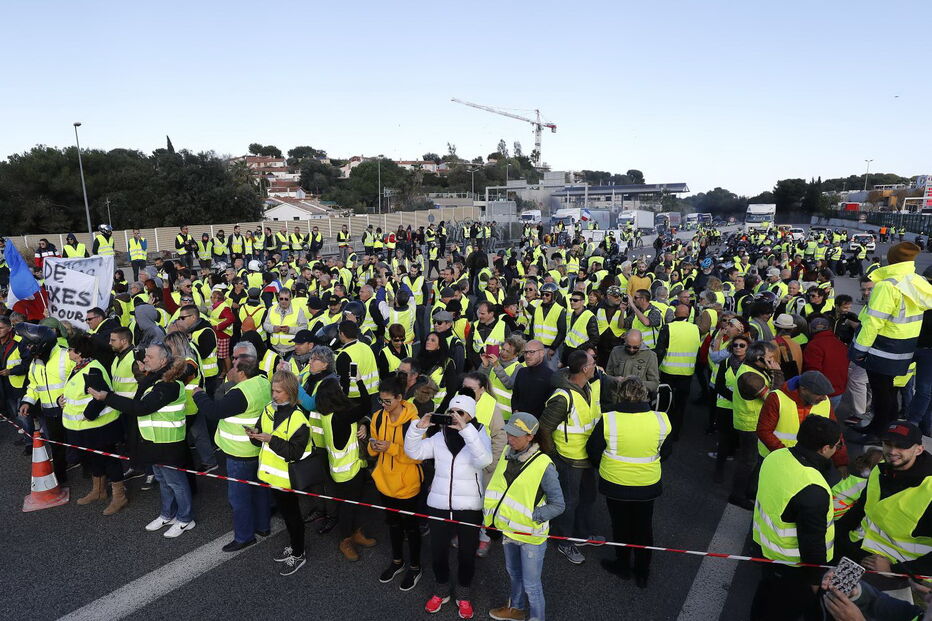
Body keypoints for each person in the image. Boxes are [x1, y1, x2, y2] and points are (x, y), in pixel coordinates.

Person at [89, 344, 196, 538]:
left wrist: (107, 397)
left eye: (149, 357)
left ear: (163, 361)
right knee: (163, 481)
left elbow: (142, 407)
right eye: (145, 355)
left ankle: (185, 519)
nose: (144, 359)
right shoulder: (155, 379)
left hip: (169, 444)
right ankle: (167, 514)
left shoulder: (170, 385)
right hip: (153, 441)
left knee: (176, 483)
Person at [404, 395, 492, 619]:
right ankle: (441, 589)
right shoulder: (439, 435)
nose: (454, 416)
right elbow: (414, 452)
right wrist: (418, 428)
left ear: (470, 415)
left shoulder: (479, 432)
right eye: (451, 411)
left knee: (467, 554)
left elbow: (484, 460)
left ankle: (464, 594)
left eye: (460, 413)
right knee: (438, 552)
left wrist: (466, 431)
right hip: (439, 504)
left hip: (469, 507)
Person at [750, 416, 842, 621]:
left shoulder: (776, 456)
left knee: (764, 599)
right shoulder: (813, 487)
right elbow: (812, 541)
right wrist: (815, 579)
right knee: (782, 613)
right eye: (838, 445)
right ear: (825, 449)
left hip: (767, 550)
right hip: (794, 567)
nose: (837, 449)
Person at [588, 377, 672, 588]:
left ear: (620, 394)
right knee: (644, 527)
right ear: (645, 395)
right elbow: (666, 452)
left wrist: (607, 466)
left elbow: (593, 450)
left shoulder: (609, 419)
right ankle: (642, 572)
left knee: (620, 525)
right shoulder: (661, 420)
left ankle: (623, 564)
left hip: (615, 484)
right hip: (647, 484)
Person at [485, 411, 565, 621]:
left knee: (532, 585)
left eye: (515, 435)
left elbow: (558, 504)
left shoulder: (544, 464)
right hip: (509, 530)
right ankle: (516, 610)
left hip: (530, 535)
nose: (510, 438)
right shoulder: (507, 452)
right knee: (514, 574)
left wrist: (532, 517)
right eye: (509, 433)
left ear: (530, 436)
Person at [851, 242, 932, 442]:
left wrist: (859, 349)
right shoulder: (917, 282)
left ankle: (878, 433)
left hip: (882, 347)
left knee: (882, 393)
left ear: (892, 259)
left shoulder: (887, 285)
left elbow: (874, 322)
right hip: (903, 347)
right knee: (889, 391)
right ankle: (884, 428)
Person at [194, 350, 272, 552]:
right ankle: (263, 526)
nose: (230, 369)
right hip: (258, 449)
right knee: (260, 490)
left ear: (242, 373)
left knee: (239, 498)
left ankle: (244, 536)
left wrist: (198, 394)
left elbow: (214, 411)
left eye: (234, 366)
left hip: (240, 453)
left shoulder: (240, 393)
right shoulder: (263, 382)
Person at [838, 421, 932, 580]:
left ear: (919, 450)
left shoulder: (929, 488)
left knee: (837, 592)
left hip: (896, 571)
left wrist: (894, 570)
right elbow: (861, 507)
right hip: (861, 551)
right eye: (888, 444)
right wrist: (837, 533)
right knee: (827, 587)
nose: (892, 451)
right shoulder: (881, 468)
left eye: (901, 446)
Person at [539, 350, 603, 565]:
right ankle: (563, 541)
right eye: (593, 363)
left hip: (587, 457)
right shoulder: (562, 398)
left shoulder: (589, 387)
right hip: (569, 460)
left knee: (588, 497)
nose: (595, 366)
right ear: (584, 369)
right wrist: (554, 456)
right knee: (568, 501)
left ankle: (581, 534)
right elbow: (544, 429)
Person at [247, 370, 311, 575]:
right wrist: (254, 435)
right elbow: (260, 437)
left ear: (290, 392)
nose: (274, 395)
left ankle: (299, 553)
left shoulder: (299, 419)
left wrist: (270, 439)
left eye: (278, 392)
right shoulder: (268, 409)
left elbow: (294, 452)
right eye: (273, 390)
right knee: (287, 515)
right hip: (271, 475)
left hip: (288, 478)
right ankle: (295, 546)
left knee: (293, 517)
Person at [58, 335, 128, 515]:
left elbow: (101, 395)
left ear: (79, 352)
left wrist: (88, 415)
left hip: (100, 427)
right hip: (85, 428)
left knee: (109, 460)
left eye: (70, 349)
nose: (68, 352)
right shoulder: (80, 367)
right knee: (93, 458)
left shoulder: (92, 370)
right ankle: (99, 491)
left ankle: (119, 496)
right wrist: (61, 400)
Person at [314, 374, 377, 561]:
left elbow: (355, 412)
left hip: (342, 469)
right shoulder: (341, 417)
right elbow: (365, 405)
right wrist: (359, 381)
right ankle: (345, 540)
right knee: (348, 508)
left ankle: (355, 533)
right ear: (335, 395)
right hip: (348, 472)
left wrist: (363, 425)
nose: (343, 390)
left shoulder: (329, 414)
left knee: (354, 505)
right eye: (339, 389)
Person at [369, 379, 424, 592]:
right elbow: (373, 448)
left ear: (400, 398)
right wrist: (373, 446)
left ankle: (415, 567)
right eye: (380, 400)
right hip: (384, 482)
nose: (384, 405)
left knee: (411, 528)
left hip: (407, 485)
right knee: (393, 525)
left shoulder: (415, 423)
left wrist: (391, 448)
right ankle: (397, 561)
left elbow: (419, 457)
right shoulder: (378, 417)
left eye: (388, 401)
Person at [17, 323, 75, 485]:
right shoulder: (35, 362)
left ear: (41, 344)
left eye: (30, 345)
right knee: (56, 446)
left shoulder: (65, 356)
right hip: (49, 412)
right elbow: (34, 385)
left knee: (79, 443)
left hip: (70, 410)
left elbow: (79, 378)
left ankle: (91, 474)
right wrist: (27, 402)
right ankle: (60, 477)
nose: (27, 348)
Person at [730, 340, 783, 510]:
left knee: (754, 461)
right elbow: (774, 399)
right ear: (759, 358)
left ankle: (750, 490)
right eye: (770, 358)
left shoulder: (757, 369)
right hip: (749, 425)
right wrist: (777, 373)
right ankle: (737, 495)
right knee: (748, 462)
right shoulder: (750, 377)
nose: (774, 361)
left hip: (756, 423)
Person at [655, 304, 701, 441]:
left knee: (665, 403)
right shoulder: (696, 329)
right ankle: (676, 433)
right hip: (687, 372)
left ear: (675, 314)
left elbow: (660, 351)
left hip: (668, 371)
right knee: (681, 405)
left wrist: (654, 369)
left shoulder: (668, 327)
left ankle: (663, 430)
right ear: (688, 315)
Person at [802, 317, 849, 408]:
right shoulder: (841, 344)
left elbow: (812, 372)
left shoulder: (813, 345)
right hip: (838, 391)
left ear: (811, 329)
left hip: (820, 394)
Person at [603, 329, 661, 396]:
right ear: (625, 340)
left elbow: (654, 383)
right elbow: (607, 376)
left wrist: (636, 385)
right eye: (628, 346)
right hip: (616, 397)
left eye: (635, 347)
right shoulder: (616, 352)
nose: (631, 350)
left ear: (641, 341)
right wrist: (615, 380)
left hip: (637, 399)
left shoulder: (650, 356)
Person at [510, 340, 554, 417]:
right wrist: (515, 409)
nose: (527, 356)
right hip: (518, 419)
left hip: (538, 422)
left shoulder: (551, 376)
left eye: (532, 352)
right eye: (525, 352)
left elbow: (551, 406)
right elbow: (515, 395)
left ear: (542, 353)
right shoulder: (521, 372)